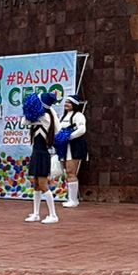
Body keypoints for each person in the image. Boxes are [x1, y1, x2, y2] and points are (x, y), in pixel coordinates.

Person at [23, 92, 59, 224]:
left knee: (43, 185)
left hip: (42, 154)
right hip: (36, 153)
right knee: (36, 185)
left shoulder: (44, 117)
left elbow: (24, 120)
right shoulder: (46, 114)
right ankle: (36, 213)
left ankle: (53, 215)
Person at [57, 96, 89, 207]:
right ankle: (70, 198)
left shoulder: (79, 115)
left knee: (71, 172)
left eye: (69, 102)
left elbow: (82, 129)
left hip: (74, 147)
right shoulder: (62, 117)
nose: (66, 104)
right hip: (64, 148)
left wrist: (68, 136)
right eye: (65, 102)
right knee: (67, 172)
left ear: (74, 104)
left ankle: (73, 200)